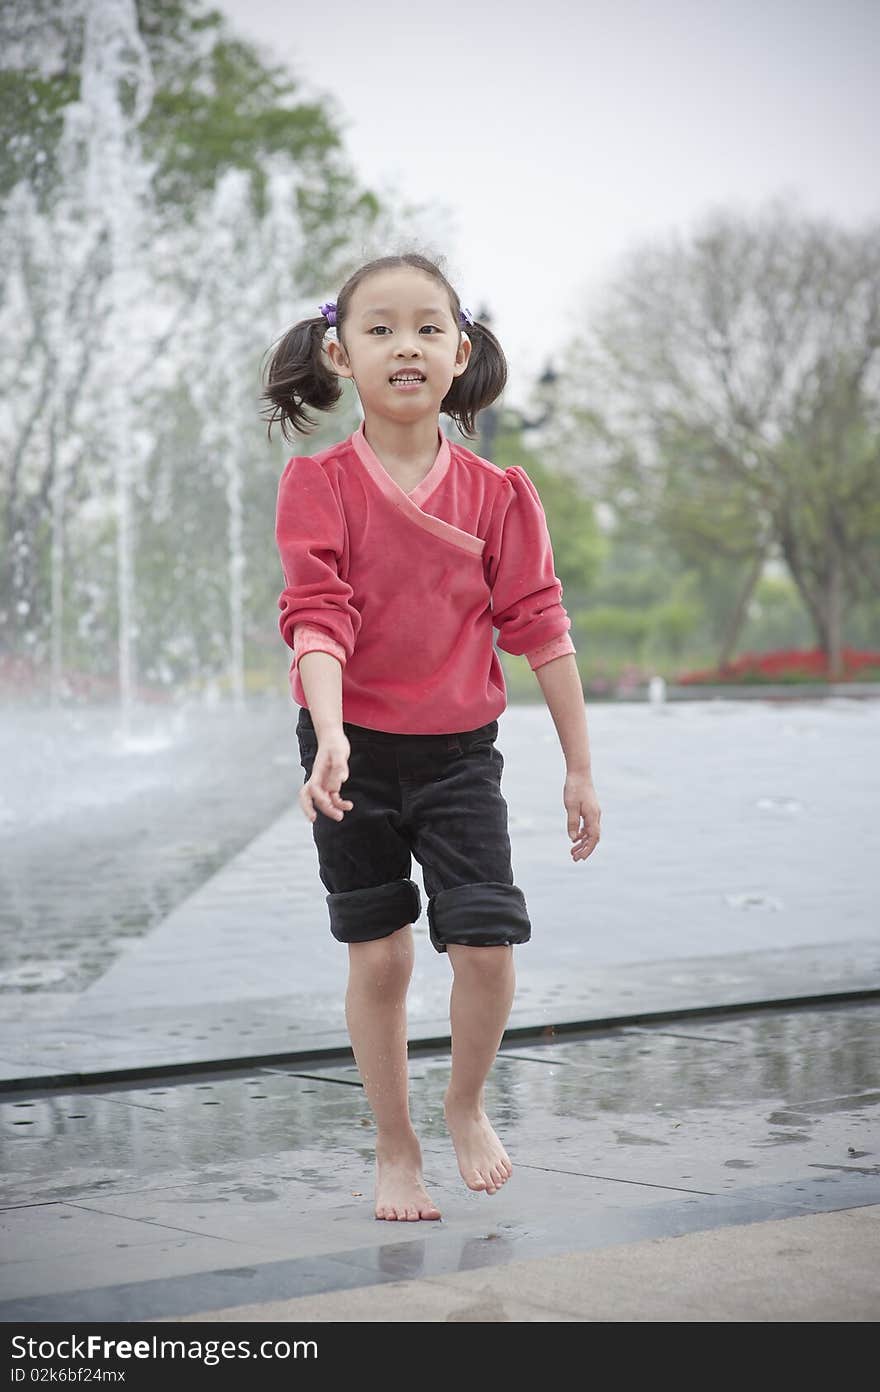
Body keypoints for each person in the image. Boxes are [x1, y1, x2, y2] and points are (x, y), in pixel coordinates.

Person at [261, 251, 601, 1222]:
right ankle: (394, 1143)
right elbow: (314, 619)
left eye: (425, 327)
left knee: (485, 943)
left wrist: (579, 767)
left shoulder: (499, 496)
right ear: (339, 353)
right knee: (381, 956)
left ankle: (463, 1106)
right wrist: (327, 734)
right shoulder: (316, 484)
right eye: (378, 328)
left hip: (458, 755)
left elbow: (541, 628)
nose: (402, 344)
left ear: (460, 352)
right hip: (349, 750)